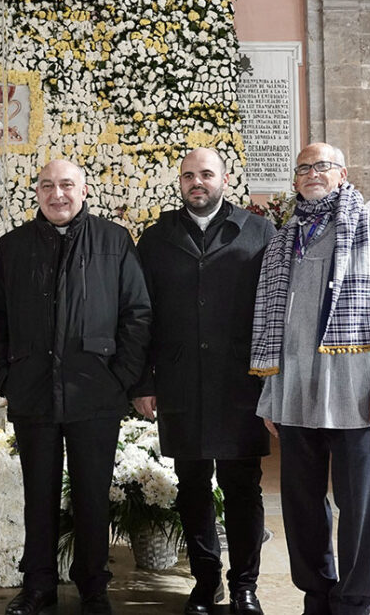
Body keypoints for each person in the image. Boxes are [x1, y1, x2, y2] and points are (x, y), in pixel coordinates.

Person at [249, 143, 370, 615]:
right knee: (301, 504)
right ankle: (317, 594)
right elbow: (273, 326)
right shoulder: (283, 241)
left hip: (356, 396)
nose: (312, 173)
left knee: (357, 505)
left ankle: (354, 602)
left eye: (322, 166)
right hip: (296, 396)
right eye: (303, 168)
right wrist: (272, 394)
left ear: (342, 174)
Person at [0, 159, 151, 615]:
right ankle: (38, 585)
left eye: (66, 185)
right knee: (38, 495)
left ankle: (94, 586)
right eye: (48, 186)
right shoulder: (13, 246)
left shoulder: (114, 241)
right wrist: (4, 377)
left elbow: (137, 313)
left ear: (83, 189)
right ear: (37, 192)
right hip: (32, 391)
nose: (57, 194)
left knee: (92, 494)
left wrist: (120, 377)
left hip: (95, 391)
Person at [131, 148, 275, 615]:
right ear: (180, 182)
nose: (197, 182)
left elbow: (275, 311)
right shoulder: (156, 238)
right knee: (192, 484)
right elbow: (140, 313)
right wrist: (143, 381)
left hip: (240, 383)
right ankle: (205, 580)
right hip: (180, 381)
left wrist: (274, 382)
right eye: (189, 175)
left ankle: (245, 585)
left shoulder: (258, 232)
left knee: (242, 486)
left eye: (206, 174)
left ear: (224, 179)